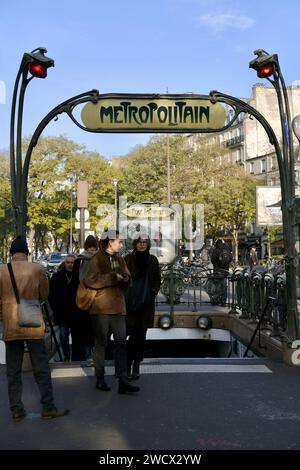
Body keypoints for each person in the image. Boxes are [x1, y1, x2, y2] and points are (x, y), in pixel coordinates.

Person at [0, 237, 69, 421]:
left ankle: (16, 409)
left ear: (11, 253)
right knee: (41, 367)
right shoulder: (38, 269)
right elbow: (44, 294)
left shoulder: (1, 271)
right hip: (32, 323)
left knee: (13, 370)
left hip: (11, 325)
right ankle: (48, 407)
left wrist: (4, 316)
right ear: (27, 252)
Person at [83, 229, 140, 394]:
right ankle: (100, 378)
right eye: (119, 241)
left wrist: (126, 279)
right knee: (101, 343)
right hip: (100, 307)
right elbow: (89, 280)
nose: (121, 244)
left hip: (117, 307)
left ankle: (122, 379)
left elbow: (127, 278)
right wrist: (112, 278)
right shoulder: (96, 258)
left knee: (121, 342)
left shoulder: (120, 259)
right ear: (110, 242)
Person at [124, 234, 161, 379]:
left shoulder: (152, 260)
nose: (142, 244)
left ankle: (136, 365)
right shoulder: (128, 259)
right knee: (132, 336)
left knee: (141, 336)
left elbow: (157, 279)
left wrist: (152, 292)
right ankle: (128, 365)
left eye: (144, 242)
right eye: (139, 242)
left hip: (146, 304)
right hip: (131, 304)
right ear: (135, 244)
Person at [49, 253, 84, 361]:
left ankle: (75, 357)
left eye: (72, 263)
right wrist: (55, 307)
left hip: (76, 312)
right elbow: (51, 294)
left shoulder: (79, 277)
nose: (70, 265)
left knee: (76, 336)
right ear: (64, 263)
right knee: (63, 336)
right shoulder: (56, 277)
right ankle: (66, 354)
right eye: (68, 262)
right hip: (62, 312)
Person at [72, 235, 98, 365]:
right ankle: (96, 355)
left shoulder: (79, 260)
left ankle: (88, 356)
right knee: (96, 329)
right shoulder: (100, 259)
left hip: (82, 299)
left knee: (86, 330)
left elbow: (74, 282)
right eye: (91, 247)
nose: (92, 250)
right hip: (97, 299)